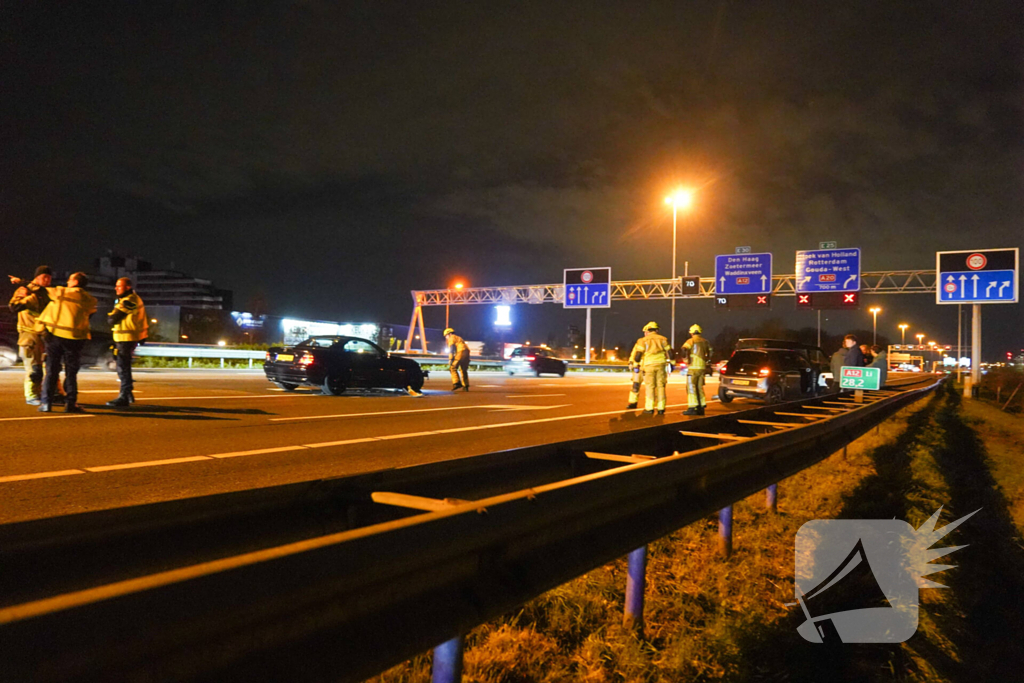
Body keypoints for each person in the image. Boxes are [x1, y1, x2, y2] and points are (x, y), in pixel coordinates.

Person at [35, 272, 97, 413]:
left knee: (51, 370)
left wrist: (21, 281)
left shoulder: (61, 292)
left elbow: (40, 289)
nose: (68, 282)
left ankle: (46, 403)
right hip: (75, 339)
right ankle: (70, 404)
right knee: (71, 373)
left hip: (55, 337)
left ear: (75, 282)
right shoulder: (90, 300)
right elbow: (89, 315)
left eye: (70, 280)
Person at [7, 266, 53, 405]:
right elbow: (14, 306)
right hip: (30, 335)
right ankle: (32, 395)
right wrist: (29, 298)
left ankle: (52, 393)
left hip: (45, 335)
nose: (48, 280)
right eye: (45, 277)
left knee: (51, 368)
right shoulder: (25, 291)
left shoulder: (46, 293)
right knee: (34, 368)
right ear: (37, 277)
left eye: (49, 278)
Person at [106, 277, 148, 407]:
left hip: (127, 338)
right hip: (125, 338)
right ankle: (128, 394)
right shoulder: (128, 299)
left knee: (123, 368)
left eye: (119, 286)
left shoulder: (129, 300)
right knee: (123, 366)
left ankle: (124, 396)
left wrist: (111, 316)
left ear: (128, 287)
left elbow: (113, 319)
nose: (116, 288)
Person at [627, 322, 671, 415]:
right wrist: (632, 362)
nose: (645, 333)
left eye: (646, 332)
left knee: (649, 387)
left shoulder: (642, 341)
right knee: (657, 386)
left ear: (648, 331)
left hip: (646, 366)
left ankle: (649, 407)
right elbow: (634, 353)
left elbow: (637, 354)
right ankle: (634, 402)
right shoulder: (662, 339)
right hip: (647, 366)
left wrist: (634, 363)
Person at [681, 323, 712, 415]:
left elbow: (684, 349)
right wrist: (707, 361)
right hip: (702, 367)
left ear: (691, 333)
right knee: (699, 387)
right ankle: (701, 406)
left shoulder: (691, 341)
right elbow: (711, 352)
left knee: (691, 387)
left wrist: (686, 360)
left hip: (693, 367)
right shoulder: (705, 341)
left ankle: (692, 407)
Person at [444, 327, 470, 391]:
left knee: (453, 367)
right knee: (463, 370)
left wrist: (450, 359)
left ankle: (456, 383)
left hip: (461, 352)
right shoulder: (459, 338)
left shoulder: (451, 337)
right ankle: (465, 386)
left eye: (446, 336)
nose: (446, 338)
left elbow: (451, 348)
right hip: (467, 352)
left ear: (449, 334)